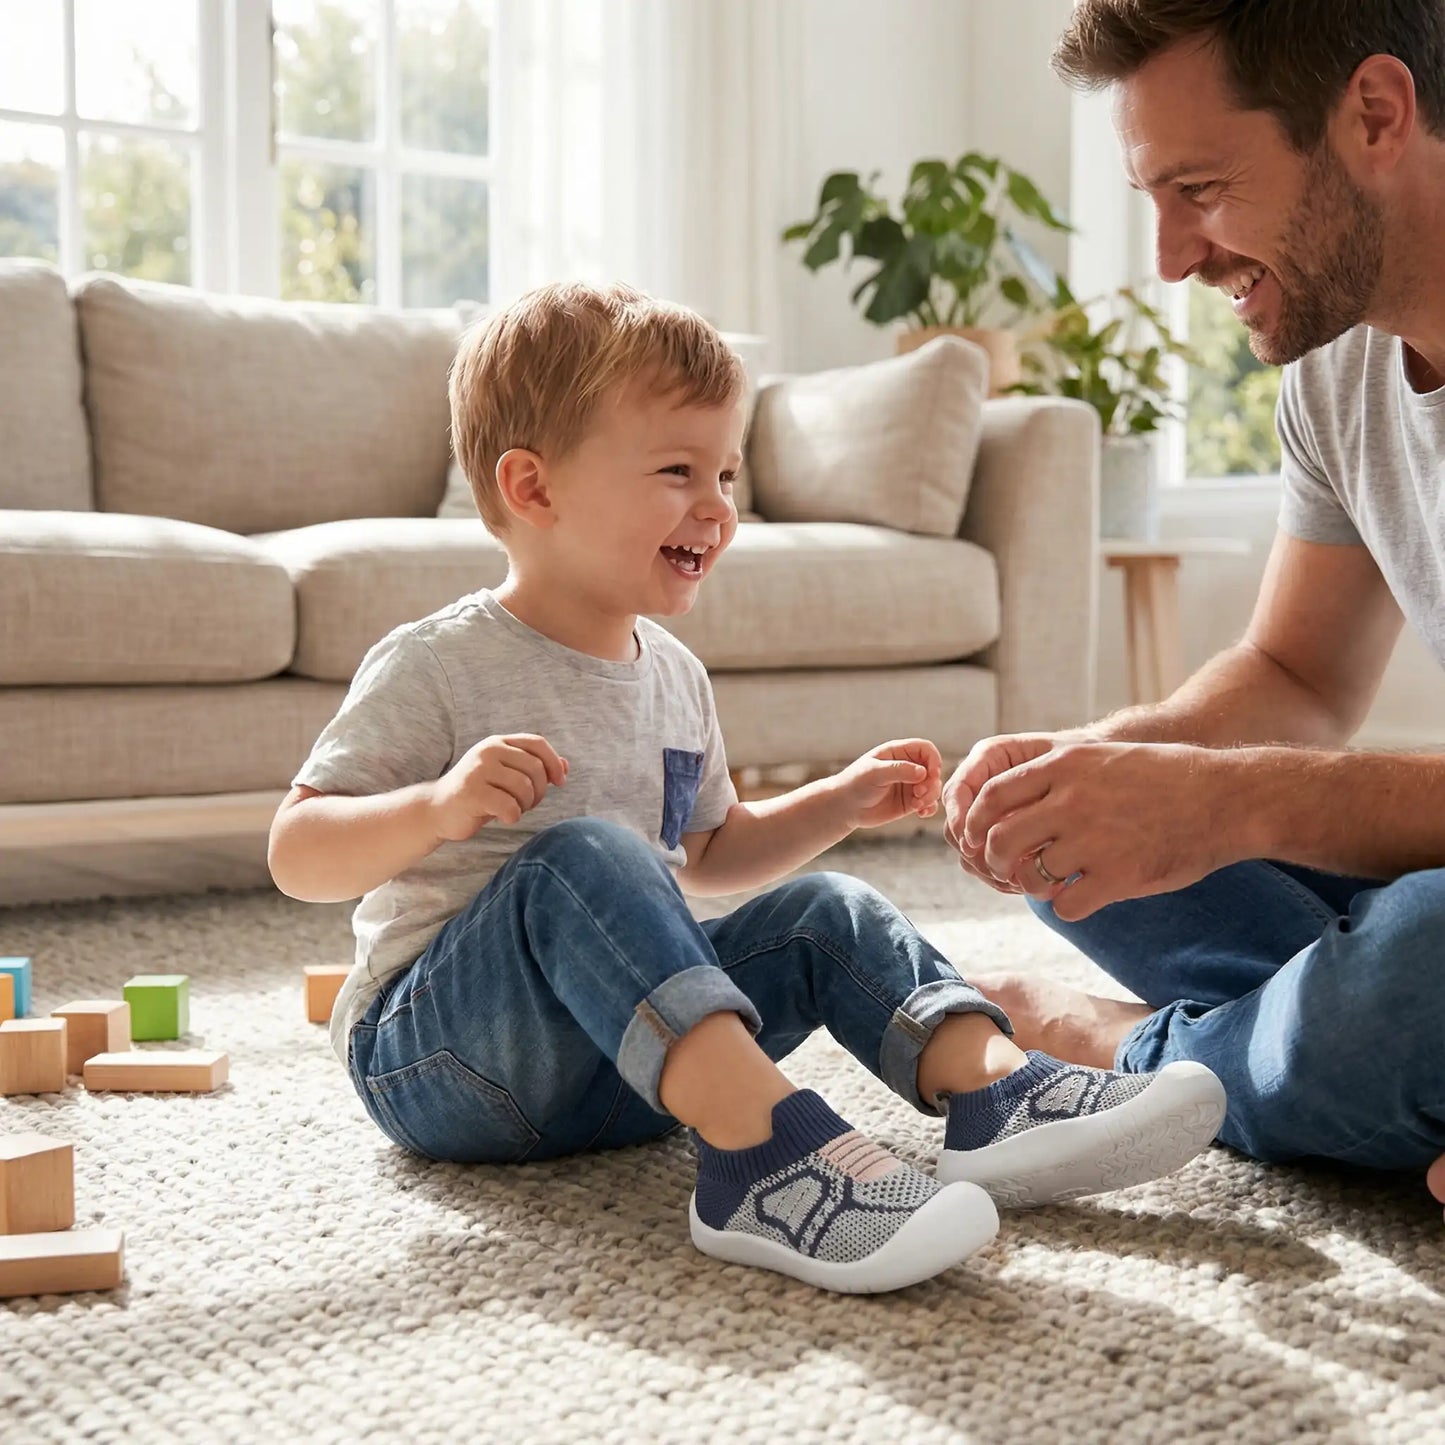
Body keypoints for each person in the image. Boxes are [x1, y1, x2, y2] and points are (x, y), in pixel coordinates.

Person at [268, 280, 1227, 1294]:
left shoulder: (672, 674)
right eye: (678, 470)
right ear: (533, 488)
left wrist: (837, 802)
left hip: (631, 1065)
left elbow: (714, 851)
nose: (716, 505)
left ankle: (991, 1090)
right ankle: (760, 1155)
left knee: (820, 908)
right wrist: (435, 807)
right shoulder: (437, 663)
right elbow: (297, 851)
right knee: (585, 853)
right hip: (445, 1065)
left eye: (726, 472)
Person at [941, 0, 1445, 1222]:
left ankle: (1123, 1046)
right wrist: (1112, 764)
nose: (1168, 257)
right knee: (1062, 836)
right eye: (1151, 198)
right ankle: (1338, 1048)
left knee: (1418, 963)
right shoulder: (1338, 361)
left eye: (1202, 189)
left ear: (1373, 114)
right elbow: (1295, 671)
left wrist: (1227, 800)